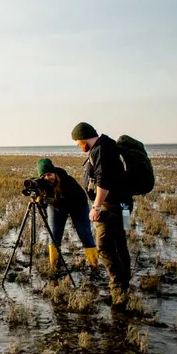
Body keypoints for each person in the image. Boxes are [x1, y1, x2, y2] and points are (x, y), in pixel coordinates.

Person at [72, 122, 133, 308]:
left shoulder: (101, 150)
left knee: (104, 247)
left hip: (111, 207)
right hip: (124, 205)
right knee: (120, 243)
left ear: (83, 138)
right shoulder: (107, 145)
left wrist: (96, 207)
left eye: (77, 142)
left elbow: (103, 182)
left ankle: (118, 291)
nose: (78, 145)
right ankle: (124, 285)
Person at [35, 158, 99, 273]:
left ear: (54, 173)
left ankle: (94, 267)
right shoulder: (43, 184)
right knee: (54, 237)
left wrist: (53, 200)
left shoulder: (67, 181)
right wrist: (40, 200)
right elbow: (44, 203)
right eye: (43, 176)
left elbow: (70, 200)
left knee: (85, 236)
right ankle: (55, 267)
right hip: (56, 207)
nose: (47, 178)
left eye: (49, 174)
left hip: (78, 206)